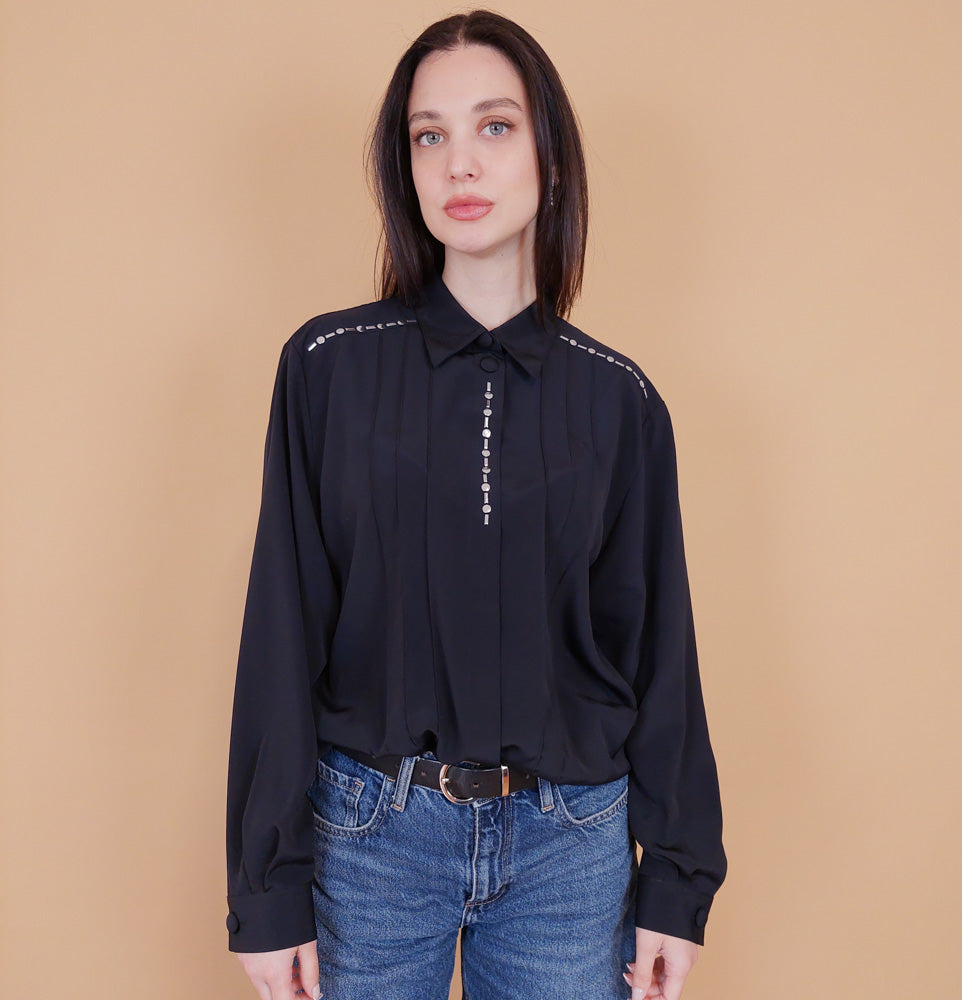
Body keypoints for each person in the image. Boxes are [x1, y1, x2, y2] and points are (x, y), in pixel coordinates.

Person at [225, 11, 726, 1000]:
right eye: (430, 134)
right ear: (403, 165)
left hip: (569, 850)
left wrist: (676, 877)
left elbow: (658, 650)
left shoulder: (621, 401)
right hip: (370, 842)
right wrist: (267, 889)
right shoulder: (327, 367)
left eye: (494, 126)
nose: (460, 162)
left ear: (551, 155)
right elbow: (281, 629)